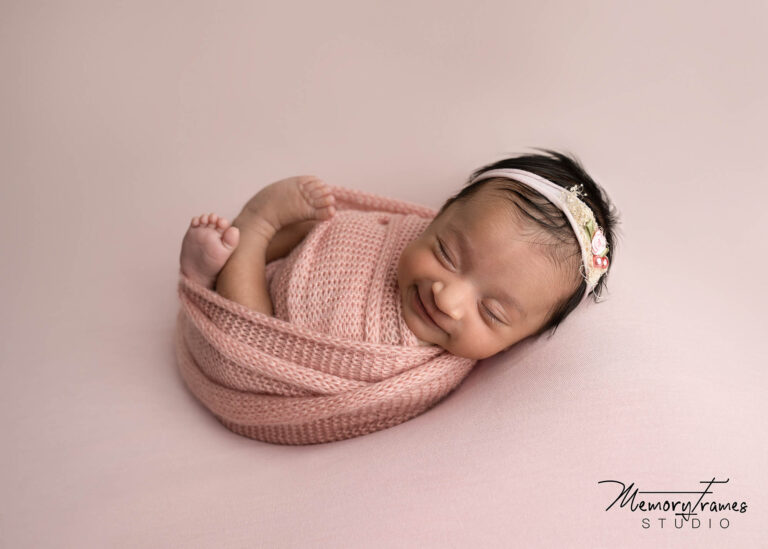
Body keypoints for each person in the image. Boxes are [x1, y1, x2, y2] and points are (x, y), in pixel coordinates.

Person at [178, 149, 619, 360]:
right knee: (320, 229)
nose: (447, 298)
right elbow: (344, 233)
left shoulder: (410, 365)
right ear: (438, 216)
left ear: (524, 339)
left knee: (252, 339)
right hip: (295, 269)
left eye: (493, 311)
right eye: (446, 252)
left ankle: (251, 231)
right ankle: (247, 244)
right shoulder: (404, 232)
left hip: (278, 336)